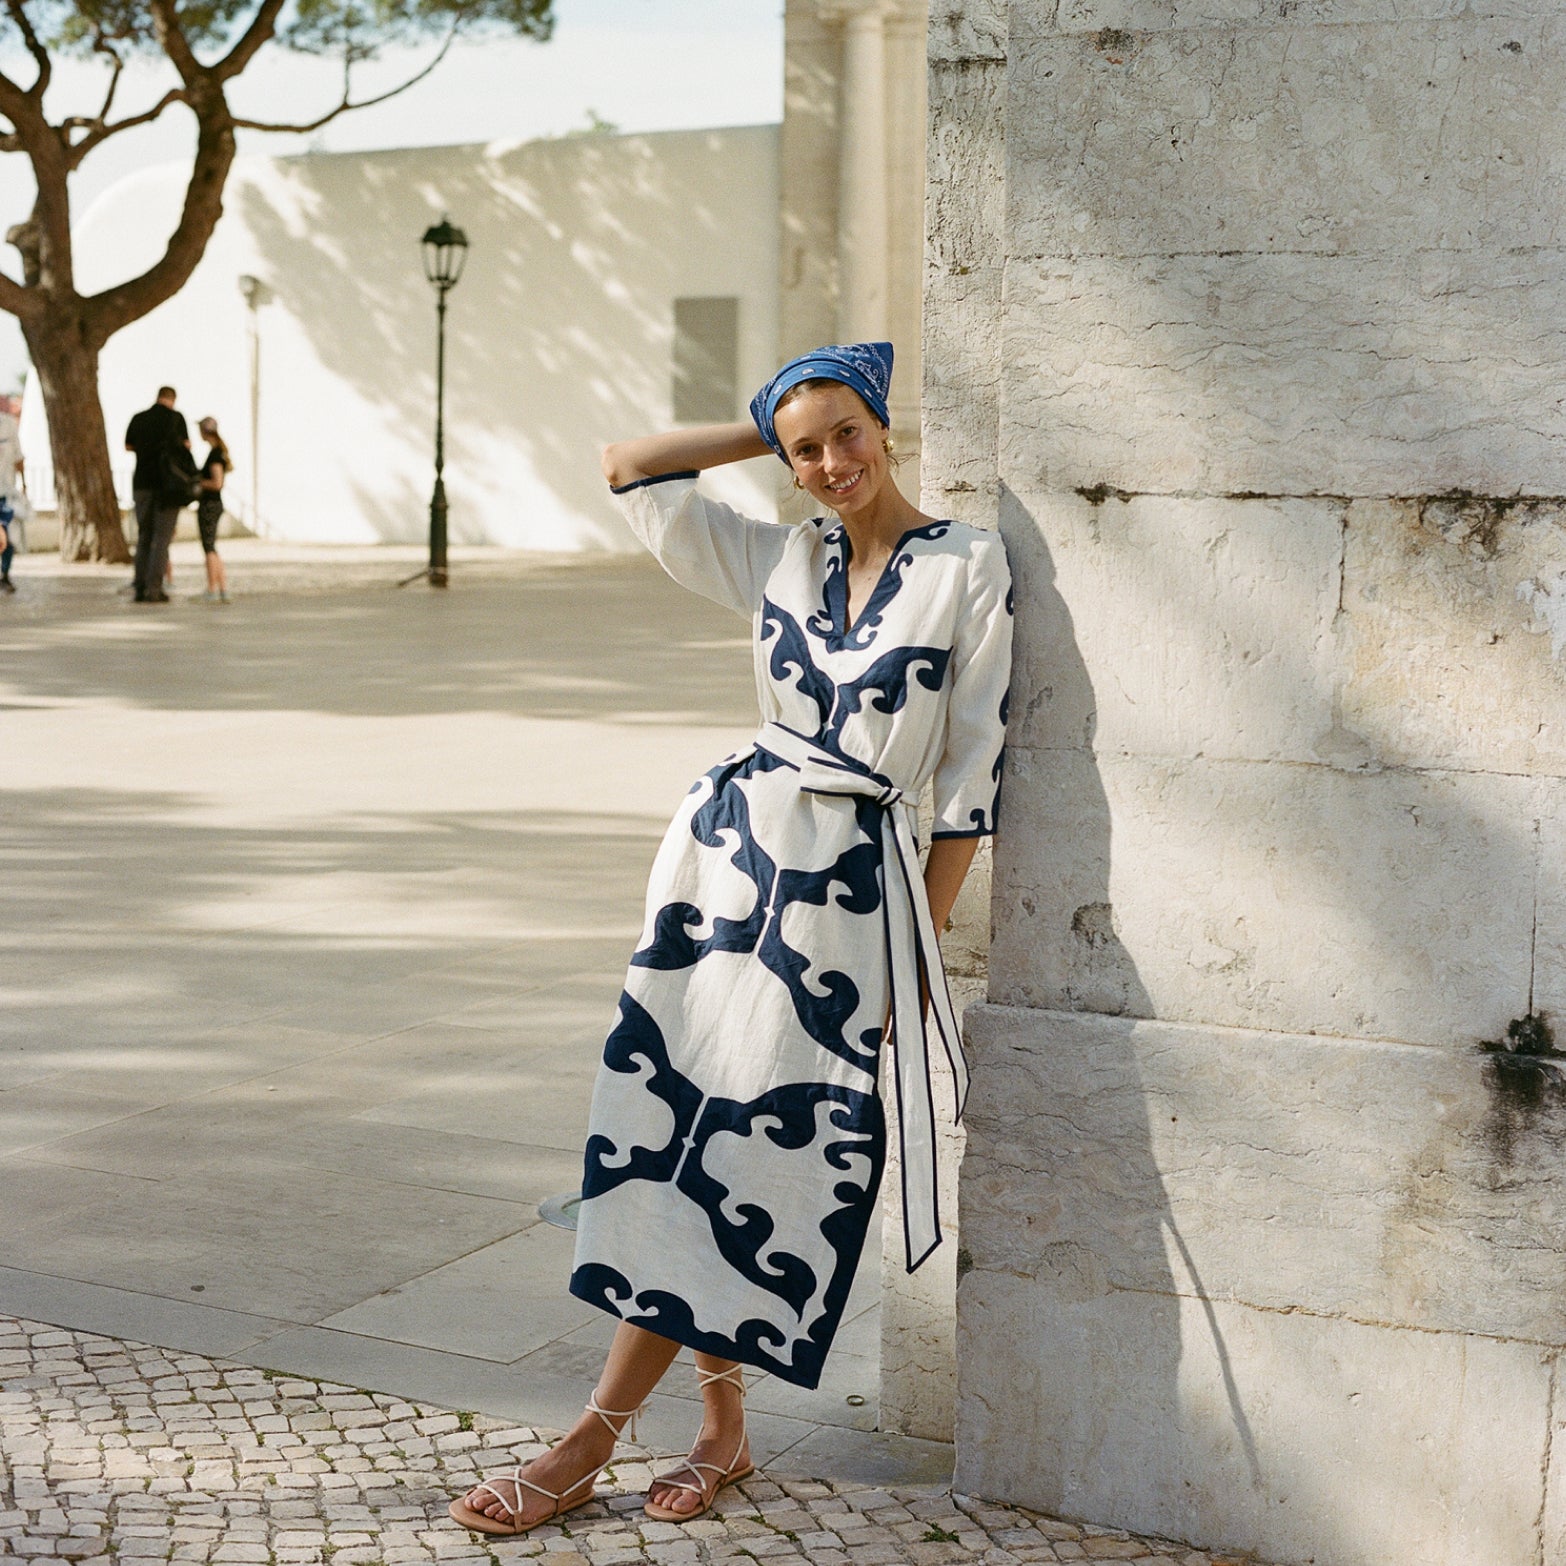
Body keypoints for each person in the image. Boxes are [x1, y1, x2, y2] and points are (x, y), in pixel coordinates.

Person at [450, 342, 1013, 1538]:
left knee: (748, 1159)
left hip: (849, 902)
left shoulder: (968, 564)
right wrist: (772, 425)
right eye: (807, 448)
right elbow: (629, 466)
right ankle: (719, 1430)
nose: (833, 461)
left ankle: (587, 1441)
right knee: (677, 1133)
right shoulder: (781, 554)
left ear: (886, 426)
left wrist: (918, 953)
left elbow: (971, 780)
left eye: (849, 432)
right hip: (723, 874)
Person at [125, 386, 188, 603]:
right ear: (172, 399)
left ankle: (139, 586)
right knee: (162, 539)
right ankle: (154, 588)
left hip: (142, 483)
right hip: (167, 486)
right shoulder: (176, 419)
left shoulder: (139, 418)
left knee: (144, 536)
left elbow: (128, 445)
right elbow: (185, 447)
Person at [195, 417, 231, 603]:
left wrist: (198, 482)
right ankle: (222, 588)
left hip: (210, 504)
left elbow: (217, 483)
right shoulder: (218, 452)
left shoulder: (215, 455)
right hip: (213, 504)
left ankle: (212, 588)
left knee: (208, 547)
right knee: (212, 547)